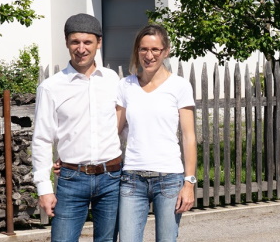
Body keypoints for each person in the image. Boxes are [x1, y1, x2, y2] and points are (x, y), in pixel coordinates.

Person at [32, 13, 125, 242]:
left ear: (99, 43)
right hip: (72, 179)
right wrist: (44, 188)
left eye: (87, 42)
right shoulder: (51, 87)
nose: (81, 48)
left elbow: (125, 128)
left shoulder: (114, 81)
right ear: (66, 42)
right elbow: (42, 139)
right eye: (75, 42)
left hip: (111, 178)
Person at [117, 24, 198, 242]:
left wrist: (189, 183)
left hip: (169, 179)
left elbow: (189, 137)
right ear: (137, 51)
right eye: (143, 49)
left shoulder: (179, 86)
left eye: (155, 50)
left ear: (166, 51)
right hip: (132, 178)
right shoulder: (126, 86)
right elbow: (113, 131)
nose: (149, 55)